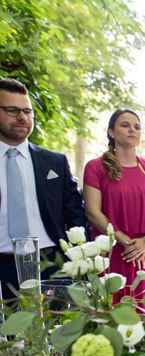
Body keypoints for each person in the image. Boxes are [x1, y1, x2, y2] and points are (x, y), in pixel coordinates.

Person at [0, 77, 85, 299]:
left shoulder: (54, 162)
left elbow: (75, 212)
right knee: (8, 332)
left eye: (28, 112)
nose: (22, 117)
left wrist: (75, 258)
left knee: (57, 330)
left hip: (51, 264)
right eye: (12, 110)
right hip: (2, 265)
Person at [84, 109, 145, 301]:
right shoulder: (95, 167)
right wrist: (125, 241)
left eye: (137, 127)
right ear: (111, 132)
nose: (132, 130)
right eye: (125, 125)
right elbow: (93, 212)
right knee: (111, 312)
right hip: (113, 251)